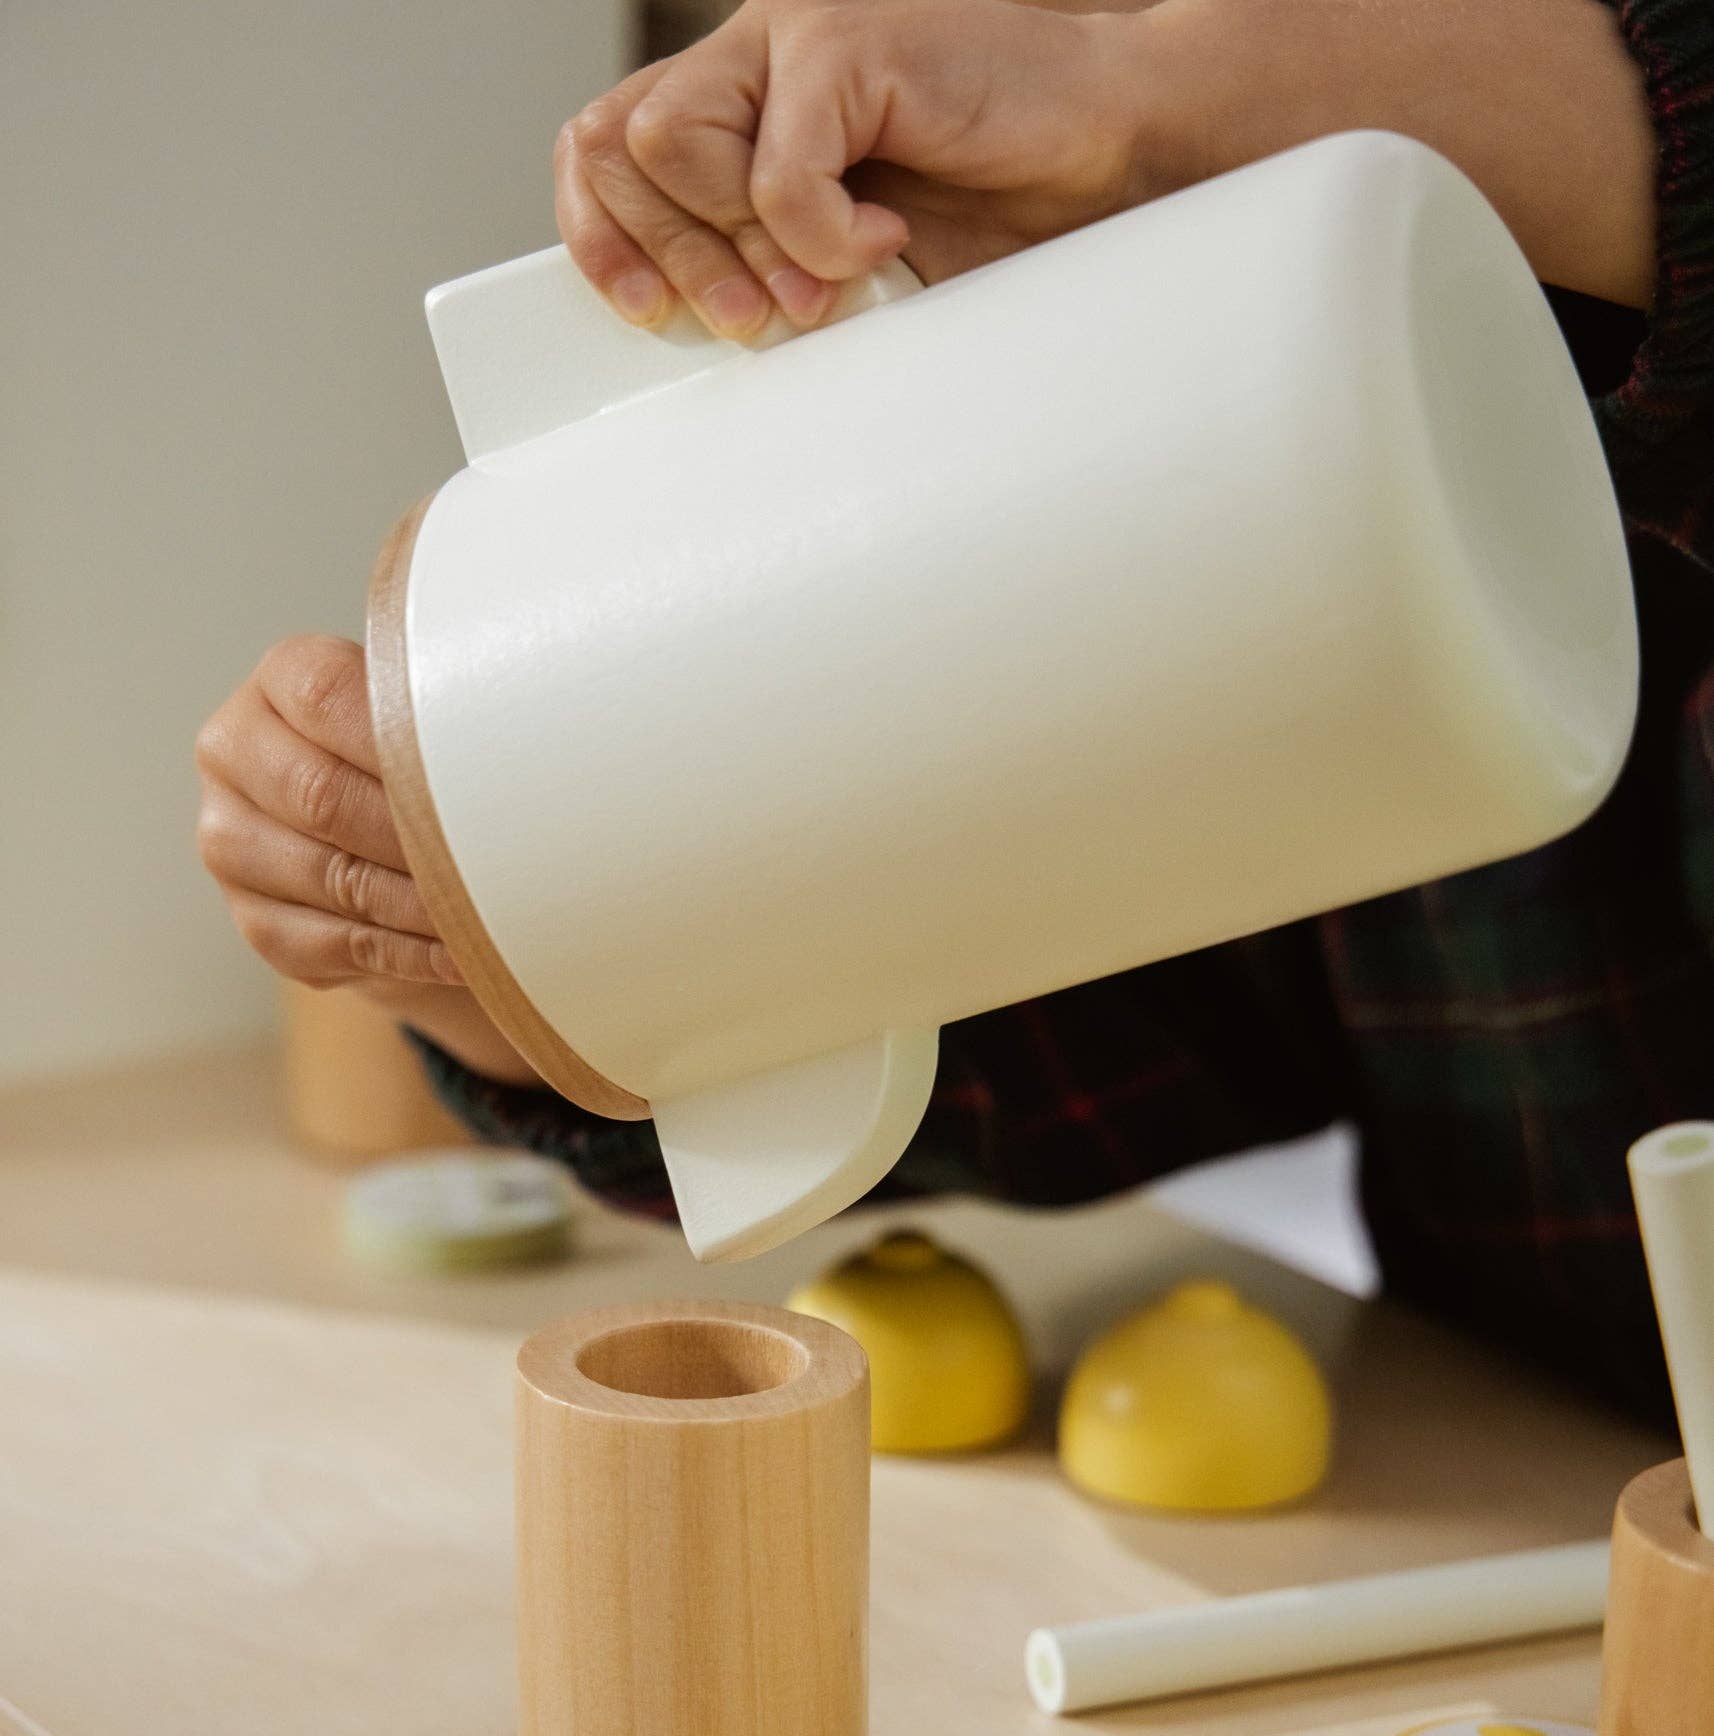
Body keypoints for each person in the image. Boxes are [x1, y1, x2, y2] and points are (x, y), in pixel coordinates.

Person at [196, 0, 1714, 1420]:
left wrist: (1161, 103)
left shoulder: (1338, 288)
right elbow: (1089, 1053)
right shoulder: (1316, 474)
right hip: (1549, 1482)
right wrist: (497, 958)